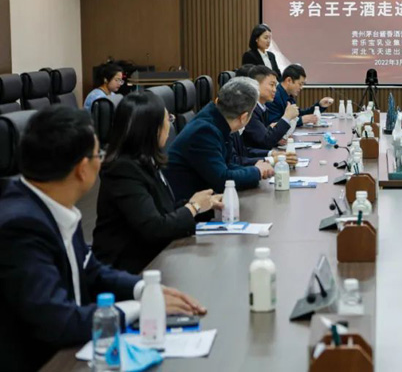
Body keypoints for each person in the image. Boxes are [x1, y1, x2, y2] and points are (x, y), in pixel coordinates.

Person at [0, 105, 205, 371]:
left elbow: (90, 269)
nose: (103, 159)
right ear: (82, 169)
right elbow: (58, 321)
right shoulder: (20, 225)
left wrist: (144, 289)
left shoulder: (53, 203)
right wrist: (137, 308)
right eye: (99, 153)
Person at [93, 93, 224, 274]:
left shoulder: (147, 160)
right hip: (128, 270)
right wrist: (193, 207)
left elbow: (163, 210)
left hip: (153, 257)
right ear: (153, 129)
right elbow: (154, 227)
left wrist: (203, 205)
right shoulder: (123, 169)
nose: (170, 125)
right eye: (168, 119)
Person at [165, 77, 275, 201]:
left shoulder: (218, 120)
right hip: (189, 206)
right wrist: (257, 171)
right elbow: (223, 180)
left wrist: (255, 169)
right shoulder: (205, 131)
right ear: (244, 117)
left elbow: (228, 165)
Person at [242, 65, 300, 150]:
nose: (274, 90)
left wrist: (271, 129)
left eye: (275, 86)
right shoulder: (250, 109)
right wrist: (287, 117)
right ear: (256, 85)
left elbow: (262, 137)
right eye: (272, 85)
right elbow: (266, 142)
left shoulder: (262, 108)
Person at [266, 64, 333, 127]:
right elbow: (275, 124)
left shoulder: (288, 95)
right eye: (300, 84)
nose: (301, 87)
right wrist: (301, 120)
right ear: (289, 80)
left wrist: (320, 106)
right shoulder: (274, 96)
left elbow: (299, 114)